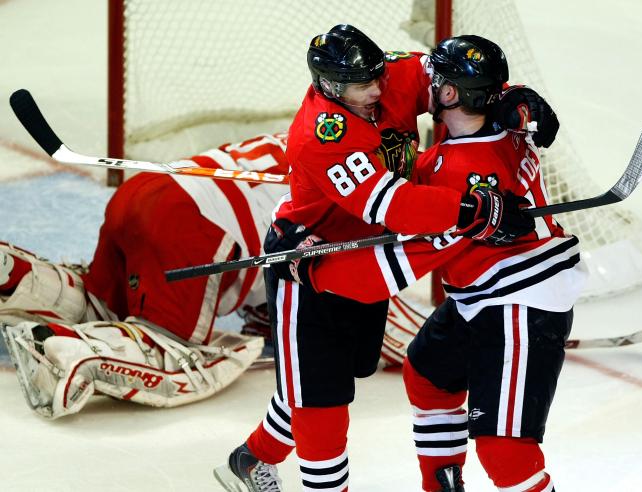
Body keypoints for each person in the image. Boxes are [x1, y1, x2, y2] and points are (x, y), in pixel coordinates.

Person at [213, 25, 530, 492]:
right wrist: (471, 209)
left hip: (367, 252)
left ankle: (248, 458)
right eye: (365, 86)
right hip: (312, 261)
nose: (379, 91)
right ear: (331, 87)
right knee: (321, 406)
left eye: (379, 78)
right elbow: (396, 205)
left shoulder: (389, 76)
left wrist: (513, 96)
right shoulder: (322, 135)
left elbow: (457, 77)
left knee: (325, 379)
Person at [300, 35, 586, 491]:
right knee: (429, 374)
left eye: (435, 76)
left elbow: (387, 272)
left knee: (505, 452)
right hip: (482, 294)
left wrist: (313, 266)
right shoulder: (504, 129)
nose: (423, 80)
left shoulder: (458, 177)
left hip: (518, 301)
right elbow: (429, 173)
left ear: (449, 94)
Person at [0, 133, 290, 418]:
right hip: (192, 226)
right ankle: (61, 349)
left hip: (146, 190)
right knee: (169, 353)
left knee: (100, 303)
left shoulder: (311, 132)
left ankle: (17, 274)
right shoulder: (334, 179)